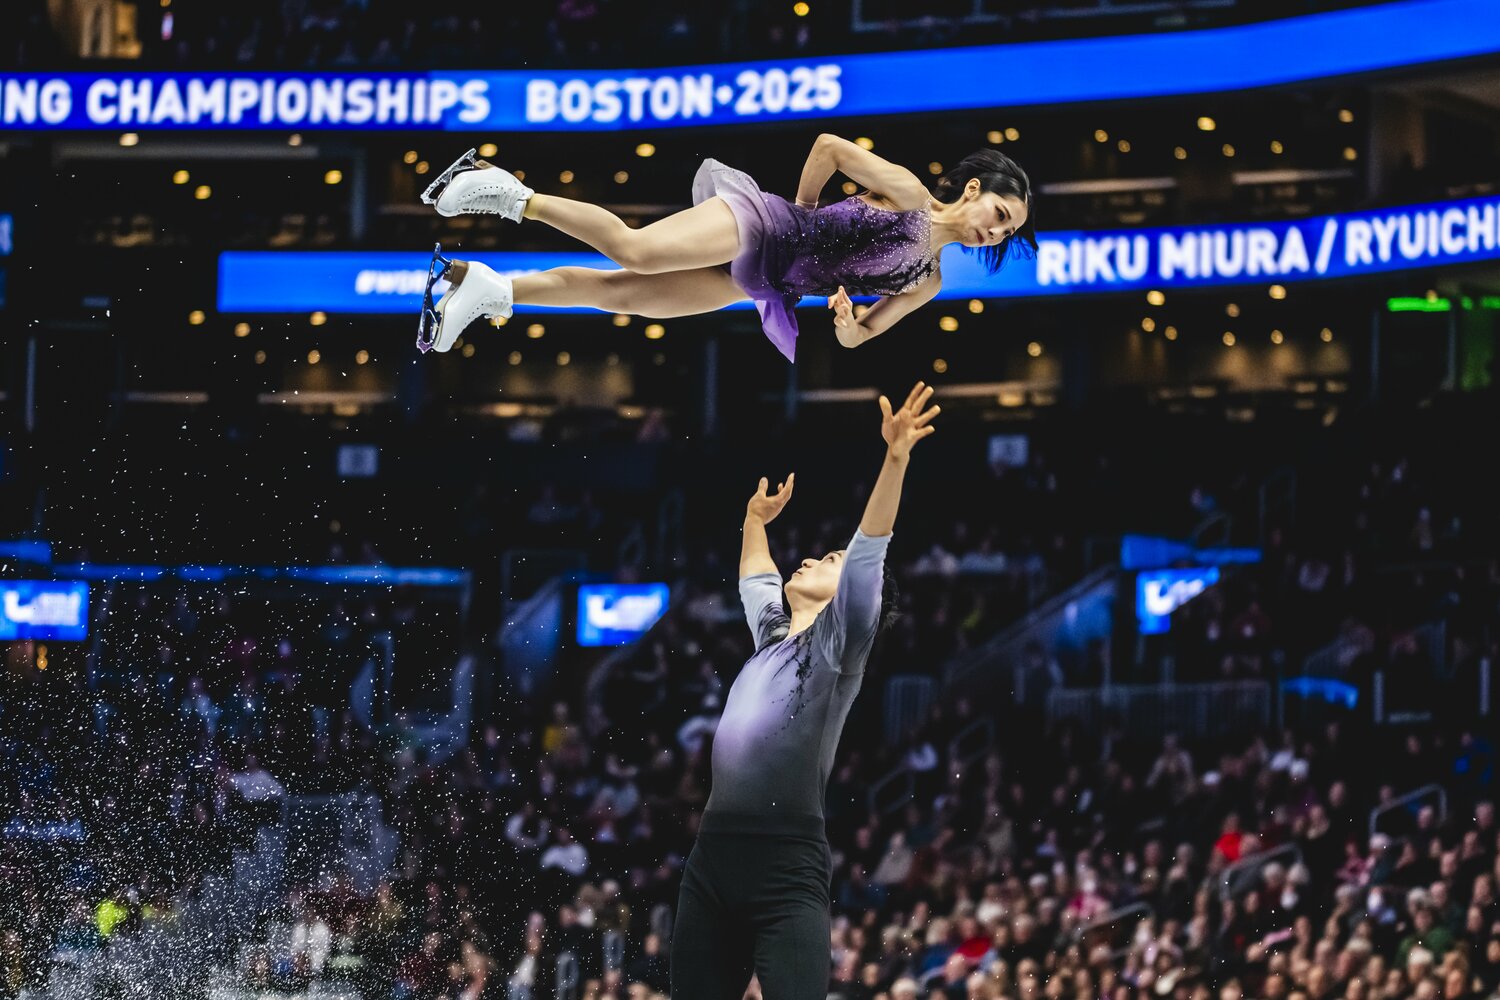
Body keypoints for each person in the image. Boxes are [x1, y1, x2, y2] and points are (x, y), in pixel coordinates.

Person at [668, 381, 940, 1000]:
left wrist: (894, 459)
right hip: (711, 861)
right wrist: (752, 521)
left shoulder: (836, 650)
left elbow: (869, 554)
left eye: (828, 559)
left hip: (786, 870)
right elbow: (755, 577)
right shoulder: (773, 639)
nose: (813, 559)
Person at [414, 139, 1035, 358]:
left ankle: (491, 292)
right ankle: (503, 192)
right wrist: (807, 211)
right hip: (763, 227)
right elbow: (827, 147)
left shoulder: (928, 282)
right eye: (1000, 215)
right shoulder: (909, 193)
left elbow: (862, 338)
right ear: (974, 189)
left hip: (765, 284)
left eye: (1007, 232)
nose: (996, 231)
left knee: (622, 294)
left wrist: (847, 326)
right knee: (635, 252)